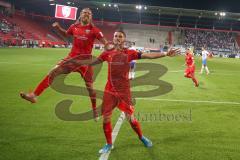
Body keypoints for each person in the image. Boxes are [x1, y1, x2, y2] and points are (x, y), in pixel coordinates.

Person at [66, 30, 180, 153]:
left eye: (120, 36)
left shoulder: (130, 53)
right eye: (115, 36)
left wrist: (165, 54)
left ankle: (141, 137)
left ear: (124, 39)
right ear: (113, 38)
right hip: (109, 90)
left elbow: (148, 56)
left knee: (130, 118)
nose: (117, 38)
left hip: (124, 91)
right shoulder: (107, 53)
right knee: (106, 118)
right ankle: (109, 144)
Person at [20, 8, 108, 121]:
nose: (86, 14)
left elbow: (105, 43)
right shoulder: (74, 27)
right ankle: (34, 95)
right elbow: (66, 34)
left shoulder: (94, 30)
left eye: (89, 13)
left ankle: (94, 109)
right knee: (53, 72)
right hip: (71, 59)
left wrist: (112, 47)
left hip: (85, 62)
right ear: (80, 15)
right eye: (84, 13)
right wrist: (57, 28)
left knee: (90, 89)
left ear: (91, 17)